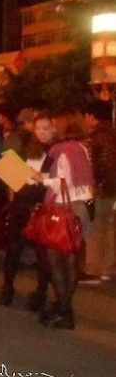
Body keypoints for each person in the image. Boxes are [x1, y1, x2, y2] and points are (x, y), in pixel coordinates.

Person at [30, 114, 94, 329]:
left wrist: (41, 179)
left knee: (55, 262)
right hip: (81, 209)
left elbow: (63, 182)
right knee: (72, 262)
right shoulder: (81, 148)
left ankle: (66, 312)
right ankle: (62, 307)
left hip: (62, 209)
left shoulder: (61, 151)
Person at [0, 115, 53, 309]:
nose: (42, 133)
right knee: (14, 246)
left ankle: (40, 293)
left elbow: (59, 178)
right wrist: (12, 188)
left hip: (44, 202)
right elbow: (10, 170)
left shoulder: (56, 150)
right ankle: (7, 286)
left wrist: (40, 177)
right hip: (22, 200)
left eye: (46, 128)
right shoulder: (26, 146)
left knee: (43, 252)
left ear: (53, 129)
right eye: (38, 128)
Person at [81, 100, 116, 283]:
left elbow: (90, 165)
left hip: (98, 189)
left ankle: (93, 269)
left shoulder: (93, 138)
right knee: (109, 228)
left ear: (91, 116)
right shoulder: (113, 135)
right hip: (112, 189)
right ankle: (108, 268)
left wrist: (93, 184)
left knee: (94, 228)